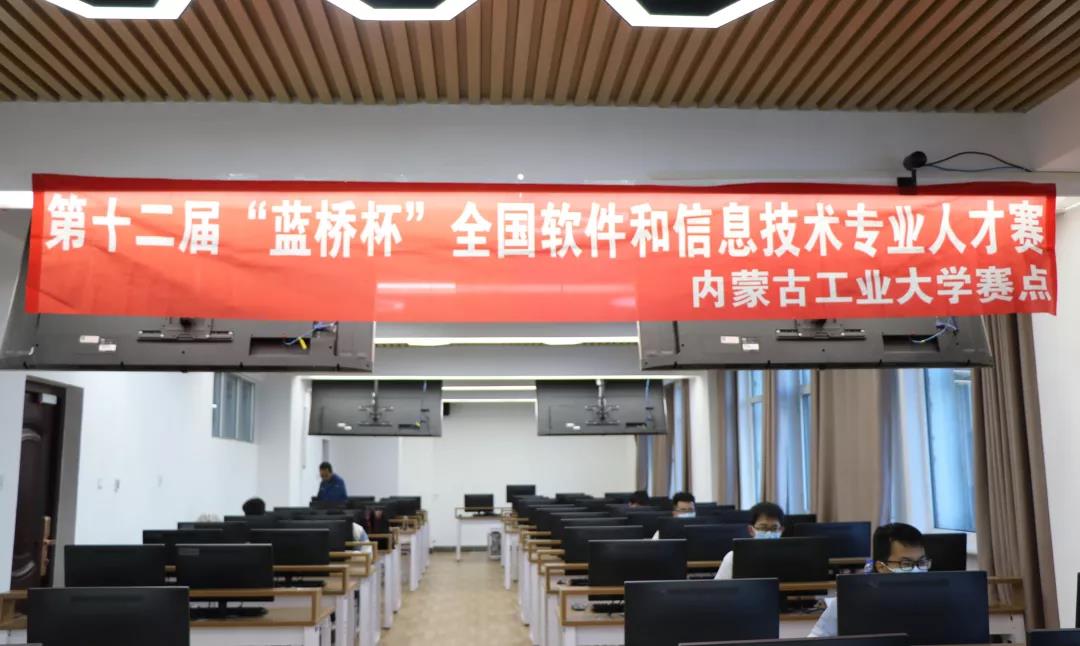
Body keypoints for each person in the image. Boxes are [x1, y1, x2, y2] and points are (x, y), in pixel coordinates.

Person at [808, 522, 929, 637]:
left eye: (921, 562)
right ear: (881, 567)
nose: (916, 570)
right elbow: (816, 638)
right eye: (906, 563)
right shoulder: (851, 599)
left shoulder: (933, 596)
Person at [714, 501, 785, 580]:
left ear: (781, 530)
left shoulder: (789, 556)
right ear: (751, 530)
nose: (769, 533)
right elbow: (719, 587)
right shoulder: (733, 557)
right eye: (763, 528)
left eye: (774, 528)